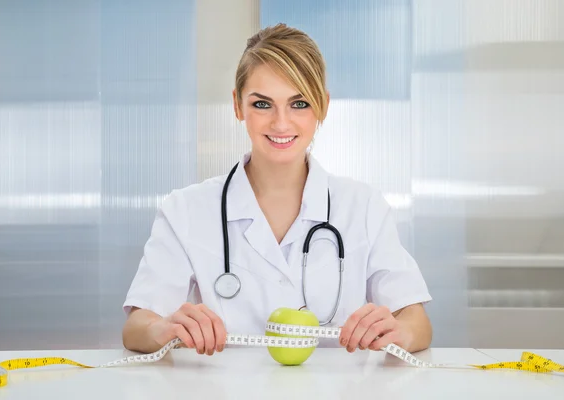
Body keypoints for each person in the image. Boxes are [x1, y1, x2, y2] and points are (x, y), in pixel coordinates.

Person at [122, 23, 432, 357]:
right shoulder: (185, 209)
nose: (281, 123)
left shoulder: (364, 207)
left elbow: (417, 321)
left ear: (322, 107)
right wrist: (163, 328)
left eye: (299, 104)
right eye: (262, 104)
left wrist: (397, 331)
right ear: (238, 106)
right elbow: (137, 326)